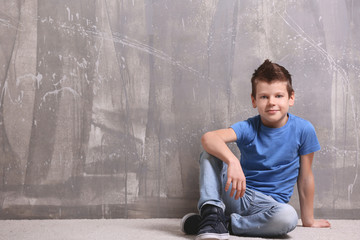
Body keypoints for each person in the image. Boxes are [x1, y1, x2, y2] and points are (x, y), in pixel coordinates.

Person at [180, 59, 331, 240]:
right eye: (264, 97)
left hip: (270, 207)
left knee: (288, 217)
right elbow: (209, 138)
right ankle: (212, 213)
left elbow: (306, 177)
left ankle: (222, 224)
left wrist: (308, 220)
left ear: (291, 98)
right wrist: (232, 161)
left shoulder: (304, 130)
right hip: (239, 194)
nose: (271, 102)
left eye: (278, 96)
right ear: (254, 100)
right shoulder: (249, 127)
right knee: (209, 154)